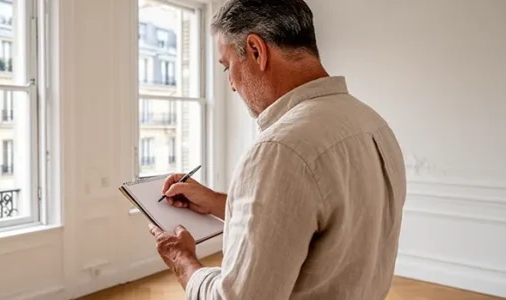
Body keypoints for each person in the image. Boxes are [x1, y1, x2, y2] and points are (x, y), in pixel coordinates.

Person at [146, 0, 407, 299]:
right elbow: (315, 214)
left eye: (227, 66)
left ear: (256, 50)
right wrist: (217, 202)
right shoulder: (372, 123)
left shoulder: (279, 149)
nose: (231, 84)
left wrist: (182, 261)